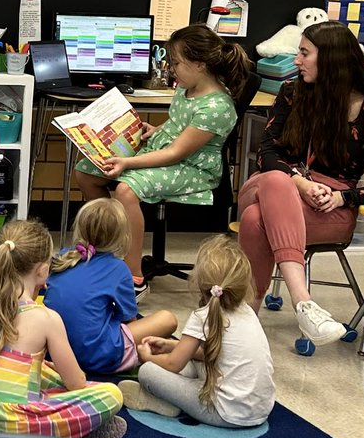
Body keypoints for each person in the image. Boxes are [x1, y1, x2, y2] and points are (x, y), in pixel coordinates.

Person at [237, 20, 364, 344]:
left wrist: (342, 199)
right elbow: (266, 151)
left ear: (332, 60)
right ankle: (303, 302)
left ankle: (243, 320)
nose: (296, 60)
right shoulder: (292, 93)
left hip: (330, 206)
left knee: (256, 219)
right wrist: (299, 183)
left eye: (304, 53)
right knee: (276, 183)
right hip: (271, 183)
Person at [72, 24, 252, 297]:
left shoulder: (217, 106)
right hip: (169, 152)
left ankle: (133, 275)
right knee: (87, 171)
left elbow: (177, 153)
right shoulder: (187, 88)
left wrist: (127, 162)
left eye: (176, 62)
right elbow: (180, 126)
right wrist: (156, 131)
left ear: (200, 64)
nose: (172, 68)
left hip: (193, 168)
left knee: (126, 189)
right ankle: (109, 243)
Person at [0, 219, 127, 438]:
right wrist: (81, 386)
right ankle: (70, 430)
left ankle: (64, 424)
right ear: (42, 270)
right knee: (111, 394)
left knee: (42, 368)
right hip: (14, 427)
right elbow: (77, 383)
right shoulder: (47, 318)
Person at [121, 235, 275, 428]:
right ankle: (167, 400)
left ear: (200, 283)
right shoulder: (248, 312)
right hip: (260, 410)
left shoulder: (203, 316)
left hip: (225, 413)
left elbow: (172, 364)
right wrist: (171, 345)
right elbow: (214, 353)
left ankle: (160, 401)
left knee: (148, 372)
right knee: (191, 363)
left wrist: (146, 356)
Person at [44, 199, 178, 373]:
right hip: (99, 357)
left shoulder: (64, 257)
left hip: (55, 353)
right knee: (167, 319)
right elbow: (129, 318)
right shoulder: (119, 268)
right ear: (122, 236)